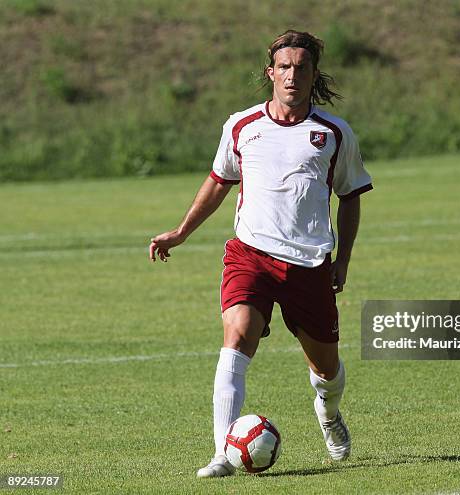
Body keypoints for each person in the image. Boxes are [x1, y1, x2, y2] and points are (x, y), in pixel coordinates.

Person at [149, 29, 372, 478]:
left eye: (302, 68)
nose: (292, 76)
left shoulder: (333, 134)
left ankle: (328, 415)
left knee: (326, 370)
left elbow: (351, 196)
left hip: (309, 264)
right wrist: (181, 232)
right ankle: (220, 453)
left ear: (313, 75)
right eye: (284, 67)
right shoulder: (241, 126)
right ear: (271, 73)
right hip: (250, 254)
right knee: (237, 335)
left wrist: (342, 260)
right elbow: (217, 182)